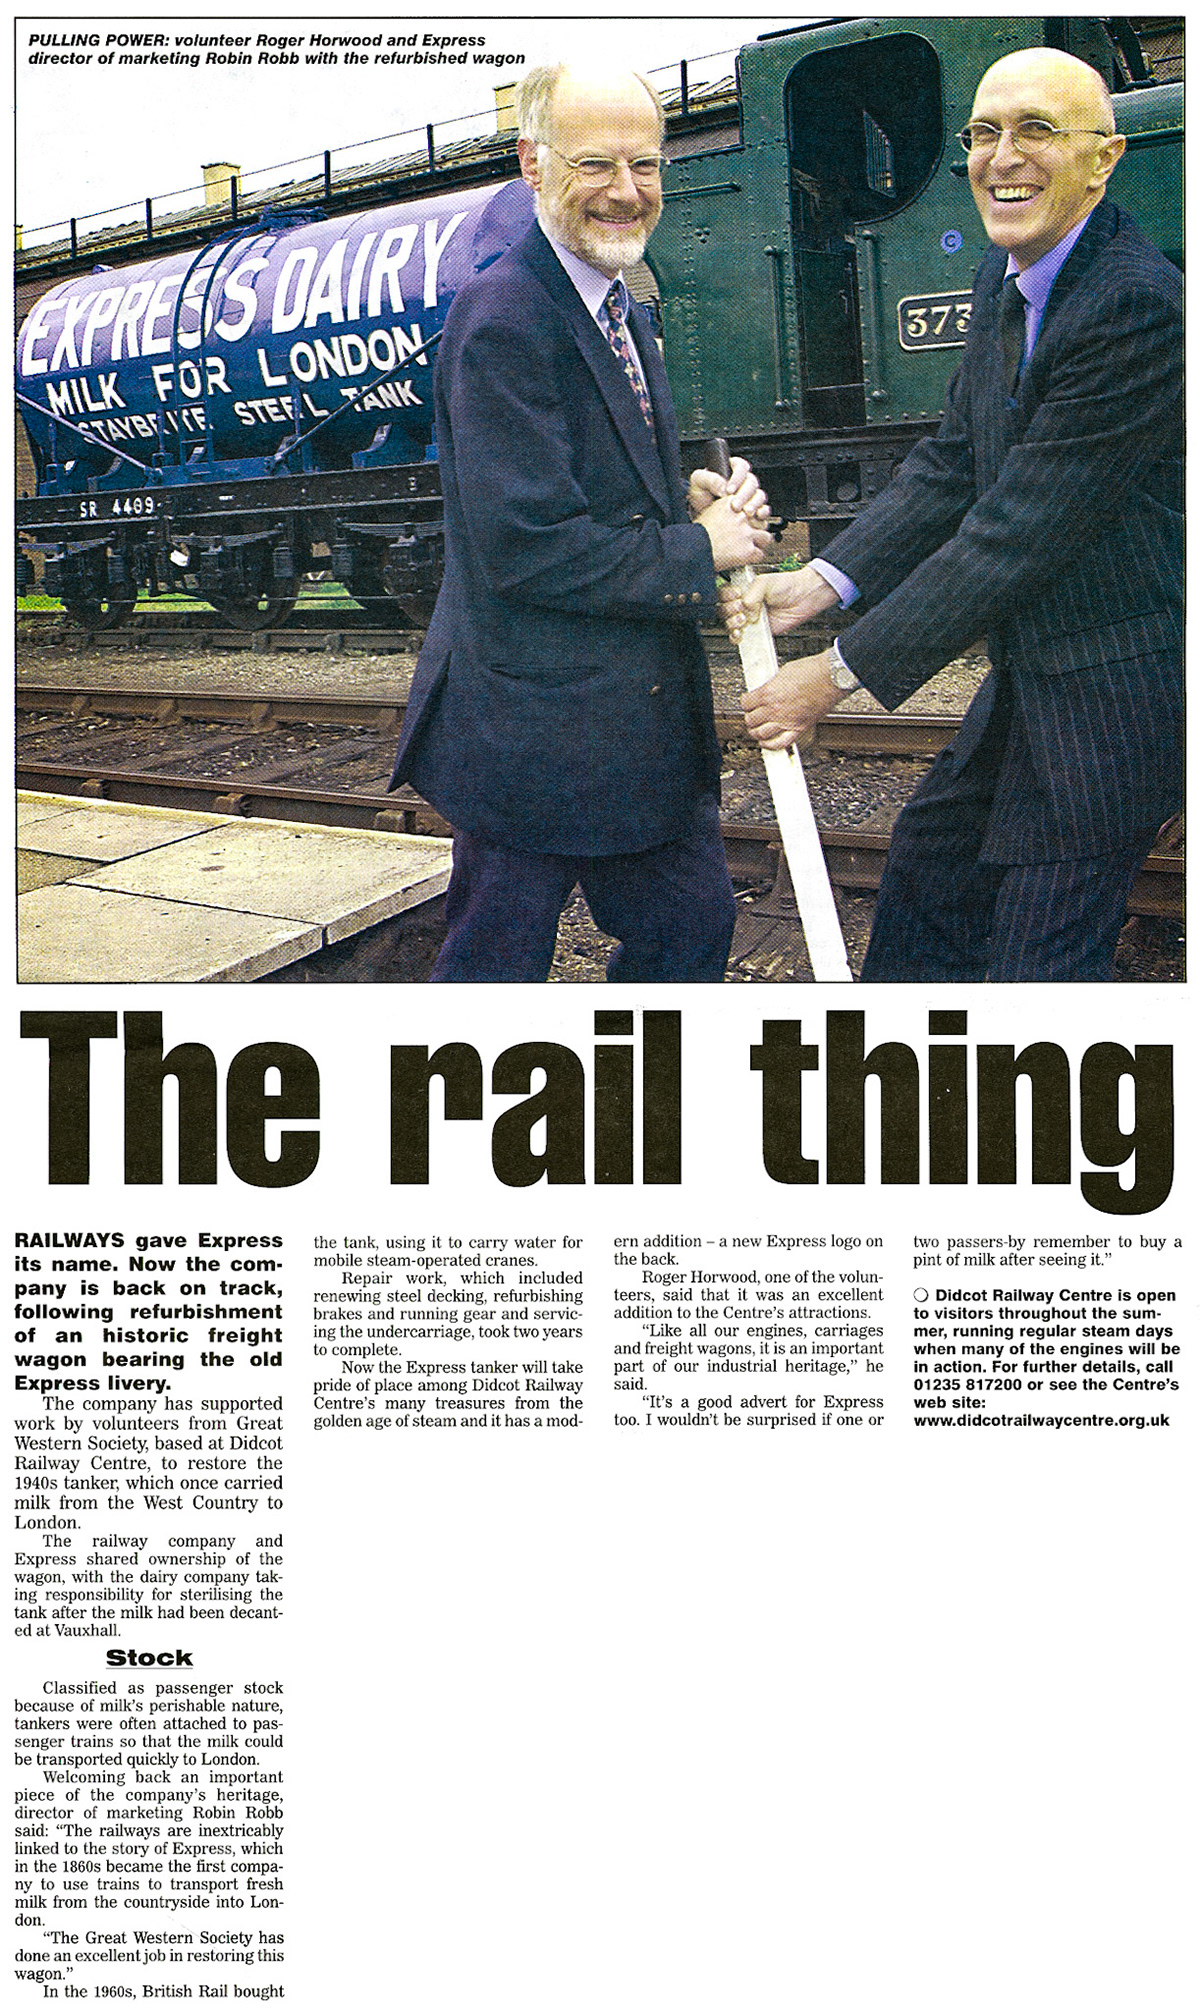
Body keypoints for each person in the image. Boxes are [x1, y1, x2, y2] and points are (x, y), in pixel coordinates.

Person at [723, 48, 1182, 983]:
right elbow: (954, 463)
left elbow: (1016, 533)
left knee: (1038, 962)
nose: (1001, 156)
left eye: (1036, 131)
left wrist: (836, 675)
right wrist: (815, 583)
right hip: (1042, 674)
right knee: (931, 874)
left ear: (1105, 158)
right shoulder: (1008, 273)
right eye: (983, 133)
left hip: (1114, 696)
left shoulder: (1135, 306)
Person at [390, 63, 771, 982]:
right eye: (595, 164)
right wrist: (698, 551)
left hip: (628, 728)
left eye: (646, 166)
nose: (626, 192)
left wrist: (689, 496)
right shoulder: (504, 318)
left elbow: (592, 475)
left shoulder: (622, 309)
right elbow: (527, 546)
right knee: (494, 968)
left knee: (690, 925)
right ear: (532, 163)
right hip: (532, 736)